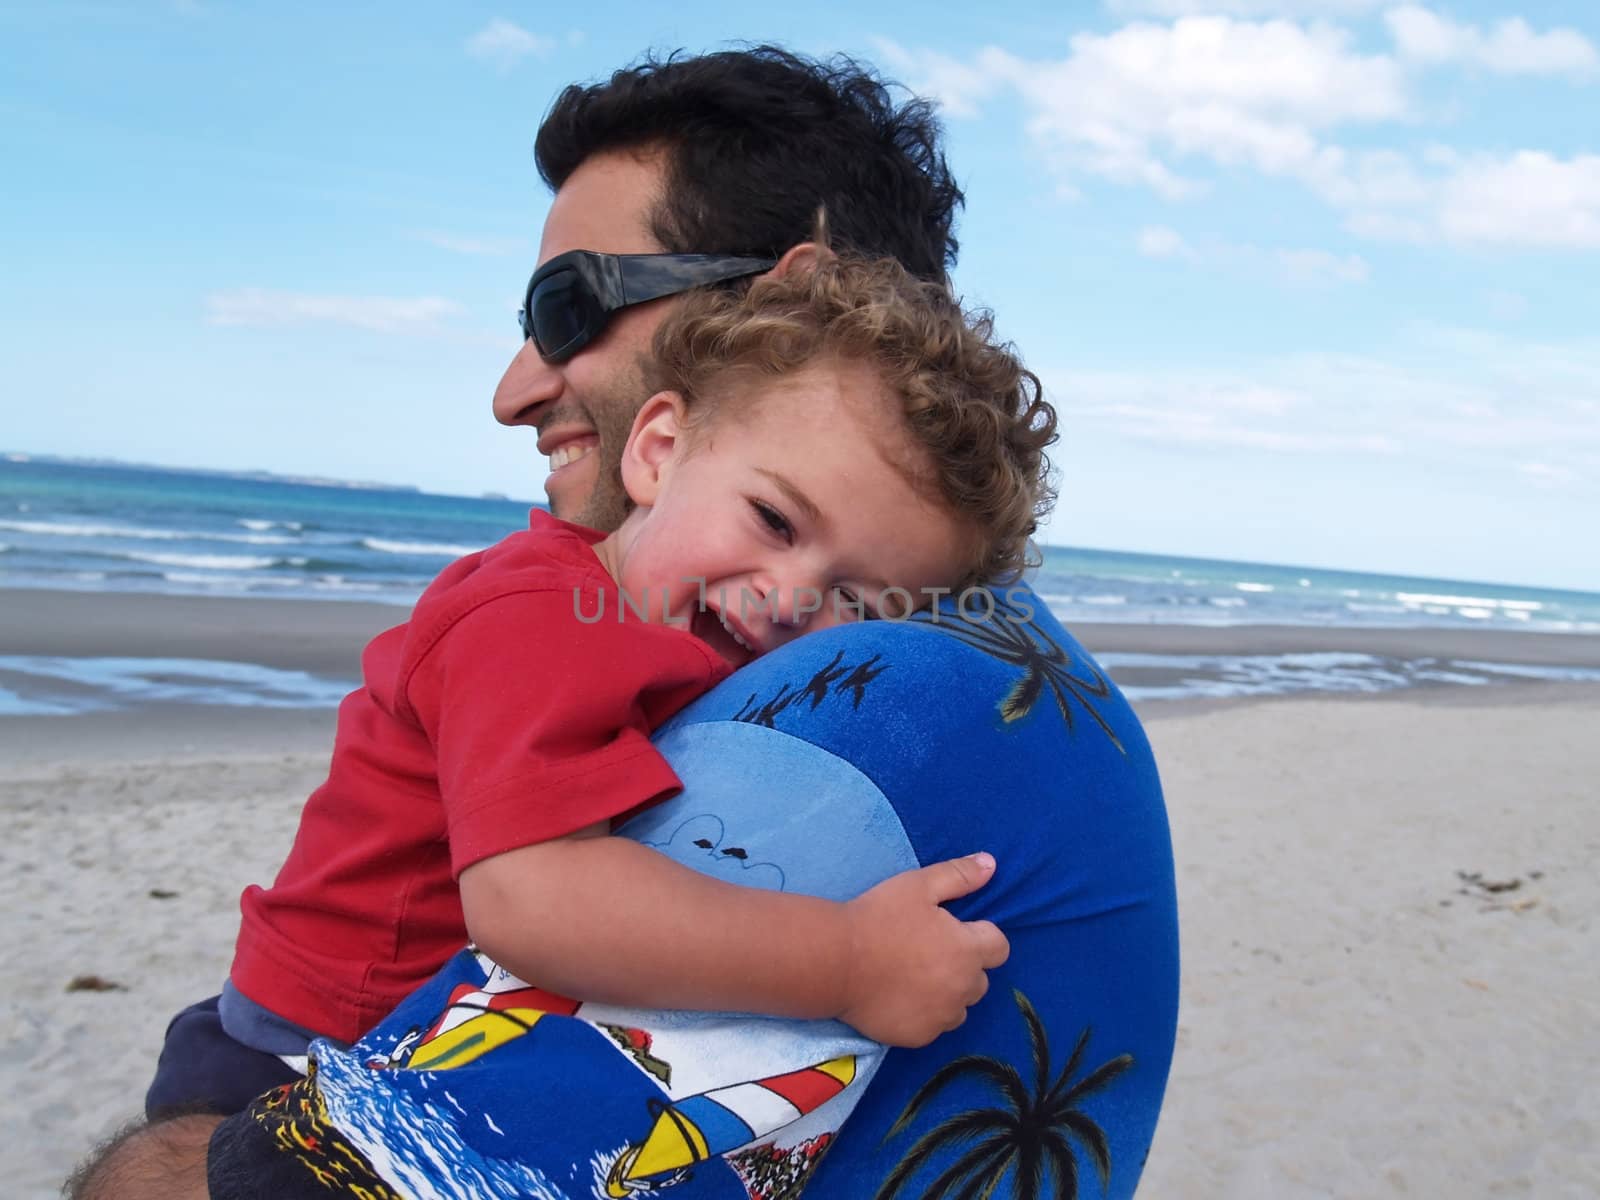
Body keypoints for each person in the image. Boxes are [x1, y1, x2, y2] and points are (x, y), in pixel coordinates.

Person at [70, 46, 1178, 1200]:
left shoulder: (872, 687)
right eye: (772, 518)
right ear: (663, 441)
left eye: (573, 303)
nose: (511, 390)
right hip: (289, 1046)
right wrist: (843, 961)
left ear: (780, 300)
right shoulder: (548, 611)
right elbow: (535, 897)